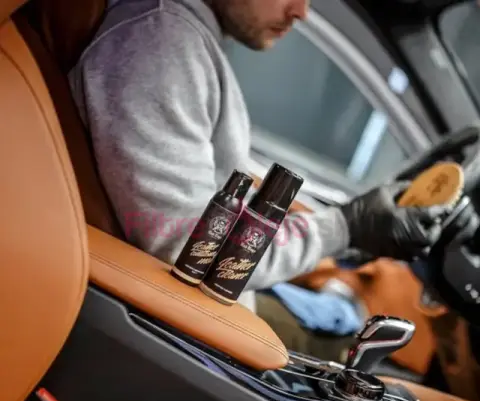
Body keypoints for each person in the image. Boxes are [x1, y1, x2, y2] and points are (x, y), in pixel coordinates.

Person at [68, 0, 447, 359]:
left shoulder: (188, 40)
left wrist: (348, 235)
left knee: (342, 316)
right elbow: (195, 252)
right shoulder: (161, 43)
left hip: (211, 309)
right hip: (185, 332)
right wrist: (346, 227)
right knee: (350, 339)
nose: (301, 12)